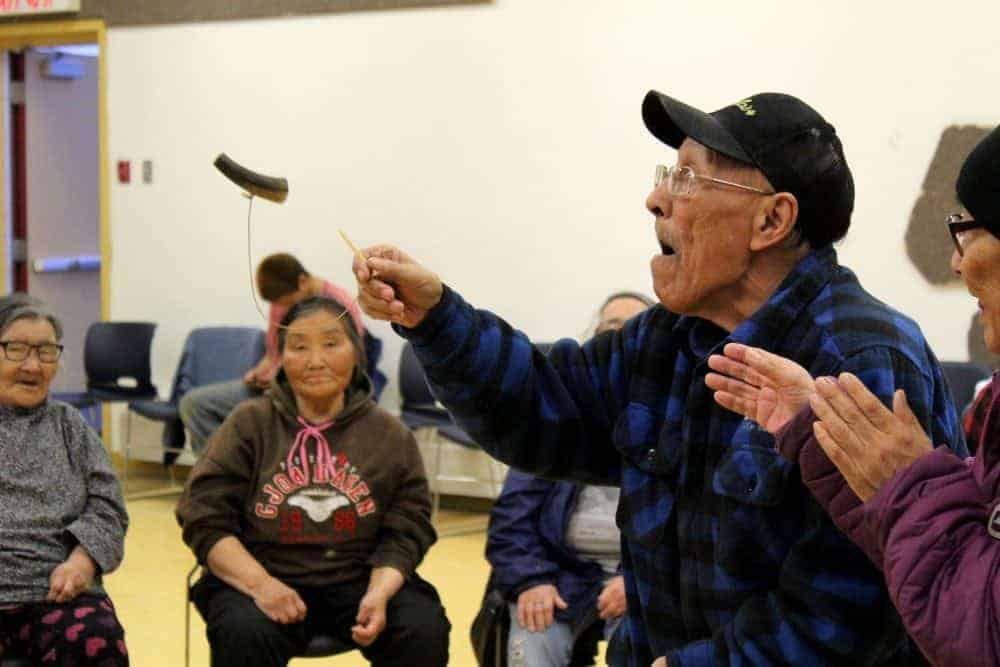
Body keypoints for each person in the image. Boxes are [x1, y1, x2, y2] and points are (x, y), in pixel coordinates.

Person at [350, 90, 966, 667]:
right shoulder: (670, 337)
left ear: (771, 221)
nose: (658, 199)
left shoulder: (863, 362)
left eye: (689, 178)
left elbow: (858, 607)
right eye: (666, 175)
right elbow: (539, 401)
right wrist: (434, 317)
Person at [705, 125, 1000, 666]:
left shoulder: (865, 351)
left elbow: (978, 628)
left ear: (775, 218)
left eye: (968, 229)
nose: (956, 264)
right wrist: (810, 429)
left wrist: (909, 485)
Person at [176, 296, 450, 667]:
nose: (315, 361)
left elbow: (408, 528)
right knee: (243, 632)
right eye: (299, 347)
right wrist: (261, 585)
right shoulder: (249, 424)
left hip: (360, 578)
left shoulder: (389, 435)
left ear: (355, 353)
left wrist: (380, 591)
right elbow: (204, 516)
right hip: (263, 572)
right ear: (281, 359)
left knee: (422, 628)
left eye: (331, 344)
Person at [487, 292, 652, 667]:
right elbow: (511, 520)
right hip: (560, 577)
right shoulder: (554, 418)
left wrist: (640, 585)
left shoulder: (677, 420)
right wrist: (531, 580)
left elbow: (695, 537)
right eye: (610, 327)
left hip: (644, 583)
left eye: (634, 329)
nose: (620, 338)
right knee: (530, 647)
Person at [0, 294, 130, 664]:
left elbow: (108, 507)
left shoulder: (70, 426)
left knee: (95, 640)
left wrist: (81, 562)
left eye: (45, 351)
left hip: (57, 592)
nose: (32, 365)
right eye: (16, 349)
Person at [179, 253, 384, 454]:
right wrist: (258, 373)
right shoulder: (280, 304)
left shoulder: (341, 304)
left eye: (286, 301)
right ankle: (222, 474)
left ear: (302, 281)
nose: (282, 308)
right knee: (194, 404)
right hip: (276, 389)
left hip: (312, 395)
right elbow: (273, 355)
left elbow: (350, 365)